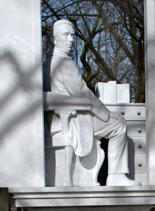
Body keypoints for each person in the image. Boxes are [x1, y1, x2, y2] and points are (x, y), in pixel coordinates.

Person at [43, 19, 139, 186]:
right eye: (66, 35)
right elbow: (83, 94)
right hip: (73, 120)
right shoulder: (64, 63)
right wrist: (105, 113)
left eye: (72, 35)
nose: (71, 39)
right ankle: (116, 175)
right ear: (54, 38)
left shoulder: (46, 64)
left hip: (55, 121)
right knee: (119, 123)